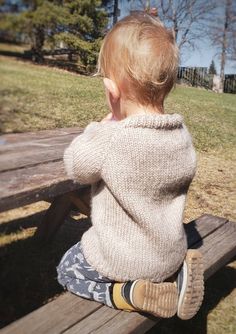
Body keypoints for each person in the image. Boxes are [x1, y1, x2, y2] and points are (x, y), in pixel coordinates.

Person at [57, 12, 204, 320]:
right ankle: (178, 275)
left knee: (67, 269)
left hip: (121, 260)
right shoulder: (181, 137)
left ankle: (124, 293)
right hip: (168, 253)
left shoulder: (112, 139)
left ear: (112, 91)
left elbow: (75, 166)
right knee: (173, 243)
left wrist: (98, 127)